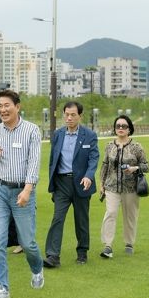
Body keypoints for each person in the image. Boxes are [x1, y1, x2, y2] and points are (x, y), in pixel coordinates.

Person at [0, 89, 44, 298]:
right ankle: (1, 287)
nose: (2, 110)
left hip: (22, 191)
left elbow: (34, 163)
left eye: (6, 105)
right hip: (0, 190)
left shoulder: (31, 130)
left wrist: (27, 190)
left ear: (17, 107)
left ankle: (37, 268)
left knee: (27, 243)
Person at [44, 101, 99, 267]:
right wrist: (53, 184)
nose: (69, 118)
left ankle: (82, 252)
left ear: (80, 116)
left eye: (73, 115)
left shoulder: (89, 135)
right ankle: (53, 255)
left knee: (81, 220)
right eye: (66, 114)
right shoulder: (58, 134)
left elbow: (93, 158)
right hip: (62, 183)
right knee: (57, 218)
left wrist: (89, 176)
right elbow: (53, 160)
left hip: (82, 183)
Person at [98, 115, 149, 259]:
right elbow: (105, 165)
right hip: (111, 186)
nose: (120, 128)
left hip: (131, 188)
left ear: (129, 129)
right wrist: (101, 184)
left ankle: (129, 243)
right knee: (110, 213)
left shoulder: (137, 147)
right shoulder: (109, 146)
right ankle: (108, 245)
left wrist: (134, 168)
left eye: (124, 126)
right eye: (118, 126)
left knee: (130, 216)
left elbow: (146, 166)